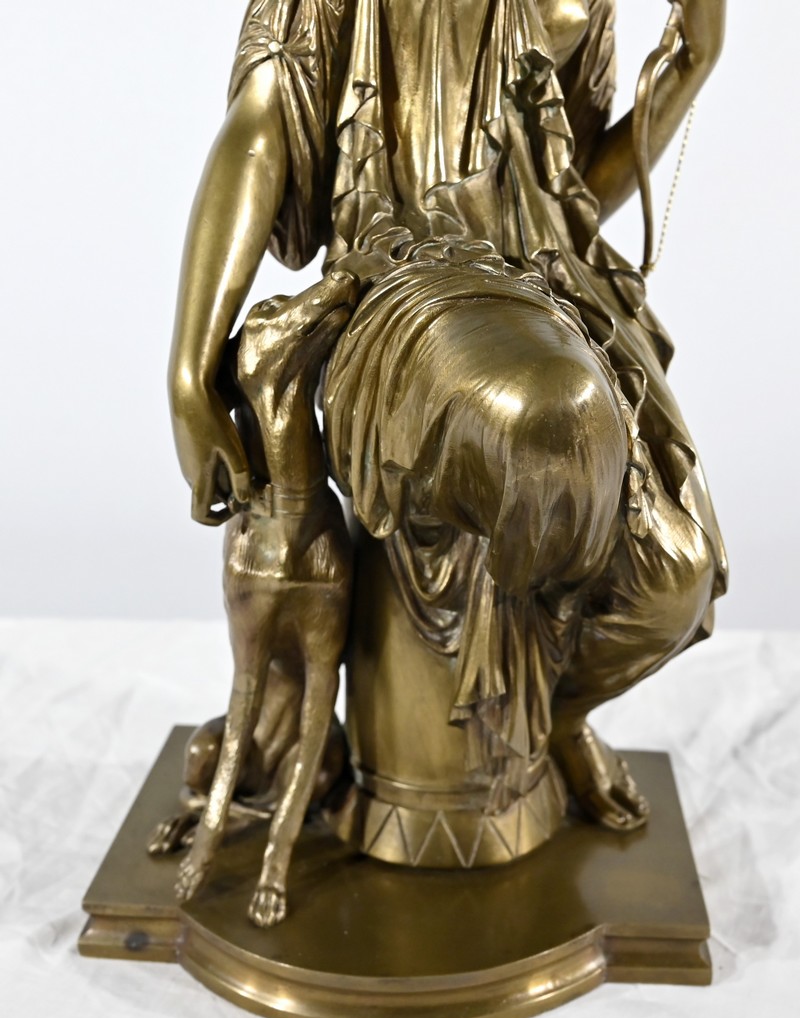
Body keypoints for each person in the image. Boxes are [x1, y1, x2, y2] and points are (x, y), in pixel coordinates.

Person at [167, 0, 728, 837]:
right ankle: (434, 769)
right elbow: (261, 126)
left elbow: (565, 189)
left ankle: (552, 719)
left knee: (677, 575)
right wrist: (189, 366)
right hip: (400, 272)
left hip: (548, 288)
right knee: (551, 420)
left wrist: (690, 67)